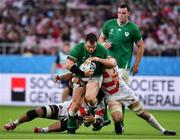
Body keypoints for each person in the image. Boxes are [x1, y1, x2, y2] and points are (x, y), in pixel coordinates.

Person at [85, 56, 176, 136]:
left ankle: (163, 130)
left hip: (125, 93)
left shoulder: (108, 59)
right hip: (112, 97)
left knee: (143, 114)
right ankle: (118, 125)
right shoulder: (94, 72)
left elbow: (113, 62)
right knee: (117, 118)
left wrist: (98, 59)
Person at [99, 3, 145, 128]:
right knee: (101, 92)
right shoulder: (109, 24)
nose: (121, 15)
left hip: (123, 67)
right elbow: (100, 39)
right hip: (108, 65)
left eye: (124, 13)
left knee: (120, 96)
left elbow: (141, 46)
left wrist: (136, 65)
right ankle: (105, 118)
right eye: (119, 12)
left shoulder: (133, 28)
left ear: (129, 13)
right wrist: (104, 45)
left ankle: (120, 123)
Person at [65, 33, 107, 133]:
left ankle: (97, 114)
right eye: (89, 47)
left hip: (95, 76)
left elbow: (105, 67)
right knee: (75, 104)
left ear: (97, 44)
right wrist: (82, 73)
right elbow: (68, 65)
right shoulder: (78, 48)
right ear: (84, 43)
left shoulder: (102, 50)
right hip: (81, 75)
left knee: (90, 98)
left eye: (93, 47)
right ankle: (71, 128)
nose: (91, 49)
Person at [3, 98, 106, 133]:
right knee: (38, 111)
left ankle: (43, 130)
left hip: (77, 120)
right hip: (65, 108)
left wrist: (93, 121)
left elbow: (98, 124)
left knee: (67, 124)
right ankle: (14, 123)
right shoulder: (85, 90)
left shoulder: (101, 105)